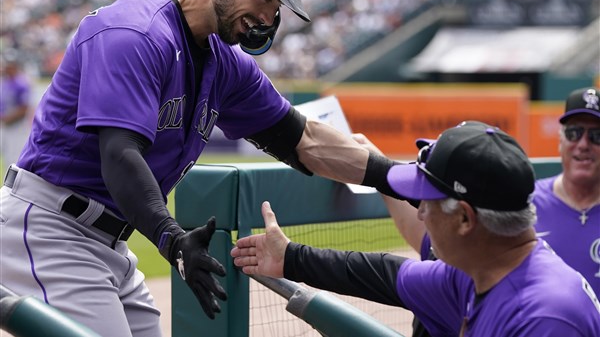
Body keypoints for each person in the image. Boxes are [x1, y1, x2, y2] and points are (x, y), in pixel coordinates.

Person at [0, 0, 398, 337]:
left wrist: (401, 179)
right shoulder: (133, 32)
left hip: (110, 242)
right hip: (50, 228)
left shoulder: (226, 64)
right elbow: (119, 155)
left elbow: (303, 140)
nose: (268, 19)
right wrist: (172, 239)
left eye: (276, 7)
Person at [232, 121, 600, 337]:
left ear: (465, 219)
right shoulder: (485, 271)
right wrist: (290, 257)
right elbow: (387, 274)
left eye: (428, 202)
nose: (420, 213)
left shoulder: (546, 318)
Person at [0, 52, 31, 169]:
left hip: (17, 127)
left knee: (12, 160)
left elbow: (24, 108)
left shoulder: (21, 83)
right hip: (4, 125)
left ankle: (12, 187)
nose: (6, 67)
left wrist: (6, 119)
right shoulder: (5, 81)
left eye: (9, 64)